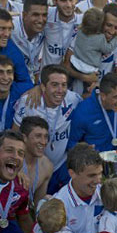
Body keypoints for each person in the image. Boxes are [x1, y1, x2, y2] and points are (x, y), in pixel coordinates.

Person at [13, 65, 83, 193]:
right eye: (55, 85)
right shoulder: (28, 102)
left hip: (61, 164)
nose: (60, 90)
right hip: (35, 166)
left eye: (64, 85)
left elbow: (92, 102)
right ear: (43, 87)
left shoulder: (73, 99)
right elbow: (14, 135)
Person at [69, 7, 117, 78]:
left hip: (74, 63)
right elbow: (107, 49)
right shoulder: (100, 37)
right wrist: (116, 39)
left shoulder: (80, 30)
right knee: (88, 87)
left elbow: (88, 20)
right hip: (89, 69)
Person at [43, 0, 82, 68]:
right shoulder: (46, 15)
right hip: (47, 77)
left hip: (72, 78)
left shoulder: (83, 21)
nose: (68, 5)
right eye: (63, 0)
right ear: (54, 0)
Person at [18, 116, 54, 208]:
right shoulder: (11, 162)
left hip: (24, 215)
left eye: (46, 137)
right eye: (38, 136)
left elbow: (38, 204)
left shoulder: (47, 166)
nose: (43, 142)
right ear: (24, 138)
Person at [11, 0, 48, 80]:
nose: (40, 20)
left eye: (44, 15)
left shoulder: (47, 28)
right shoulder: (11, 27)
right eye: (35, 15)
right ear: (24, 15)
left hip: (28, 81)